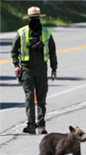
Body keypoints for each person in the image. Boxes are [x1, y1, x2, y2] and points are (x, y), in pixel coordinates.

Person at [11, 6, 57, 134]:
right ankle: (31, 124)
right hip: (26, 69)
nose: (35, 20)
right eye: (33, 18)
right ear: (29, 19)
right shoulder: (22, 32)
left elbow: (52, 52)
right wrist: (16, 65)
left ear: (40, 18)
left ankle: (41, 125)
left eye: (37, 18)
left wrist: (54, 69)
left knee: (41, 98)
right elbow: (14, 50)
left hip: (42, 69)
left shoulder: (47, 33)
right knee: (29, 97)